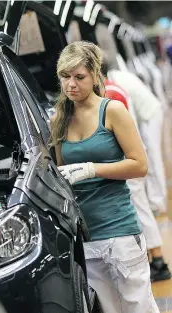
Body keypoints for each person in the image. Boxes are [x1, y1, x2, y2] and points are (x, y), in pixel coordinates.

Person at [49, 41, 160, 313]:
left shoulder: (112, 111)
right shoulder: (59, 120)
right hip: (86, 234)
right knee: (108, 309)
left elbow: (139, 165)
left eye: (79, 77)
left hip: (119, 229)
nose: (70, 84)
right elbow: (61, 172)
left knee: (138, 306)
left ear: (95, 75)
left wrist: (93, 168)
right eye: (65, 77)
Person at [102, 63, 171, 282]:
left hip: (128, 159)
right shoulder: (113, 86)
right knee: (140, 205)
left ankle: (158, 261)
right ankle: (155, 257)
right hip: (131, 154)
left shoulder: (110, 93)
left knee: (139, 207)